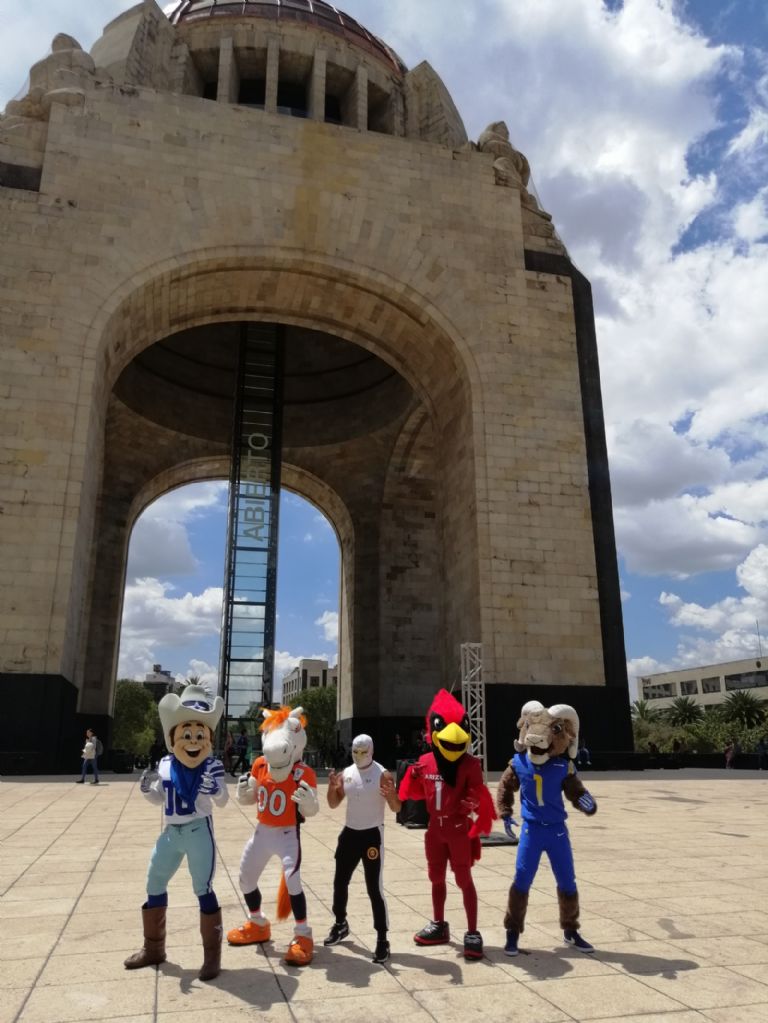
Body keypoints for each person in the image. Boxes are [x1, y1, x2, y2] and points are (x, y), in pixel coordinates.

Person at [124, 684, 228, 981]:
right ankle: (153, 948)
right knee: (154, 881)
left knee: (202, 887)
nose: (193, 740)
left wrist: (215, 788)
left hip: (198, 830)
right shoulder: (166, 764)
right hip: (171, 831)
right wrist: (147, 789)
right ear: (173, 736)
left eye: (199, 734)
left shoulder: (212, 765)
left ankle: (211, 957)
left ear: (208, 737)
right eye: (186, 733)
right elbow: (160, 798)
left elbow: (222, 801)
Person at [398, 689, 495, 961]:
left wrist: (473, 801)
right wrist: (412, 778)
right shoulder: (425, 761)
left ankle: (472, 931)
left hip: (458, 829)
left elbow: (478, 794)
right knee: (436, 877)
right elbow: (413, 795)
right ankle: (439, 924)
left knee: (464, 878)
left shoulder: (470, 764)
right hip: (435, 829)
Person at [497, 700, 598, 958]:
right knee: (522, 879)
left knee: (567, 880)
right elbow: (505, 786)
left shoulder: (562, 767)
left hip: (557, 831)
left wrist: (584, 800)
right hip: (531, 831)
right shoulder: (519, 763)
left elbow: (575, 791)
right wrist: (505, 812)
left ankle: (570, 929)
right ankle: (512, 931)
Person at [227, 706, 319, 966]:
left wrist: (309, 802)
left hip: (288, 832)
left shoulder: (303, 771)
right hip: (263, 831)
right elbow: (251, 797)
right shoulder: (260, 764)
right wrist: (243, 793)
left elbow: (312, 809)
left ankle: (303, 934)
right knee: (245, 877)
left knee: (292, 880)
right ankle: (258, 922)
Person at [323, 734, 401, 964]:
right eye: (355, 752)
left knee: (374, 888)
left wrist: (392, 796)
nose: (359, 756)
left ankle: (382, 939)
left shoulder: (382, 774)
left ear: (372, 751)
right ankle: (340, 923)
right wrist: (332, 788)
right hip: (350, 833)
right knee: (339, 882)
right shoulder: (346, 773)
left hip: (371, 835)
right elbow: (333, 803)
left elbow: (397, 808)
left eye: (363, 752)